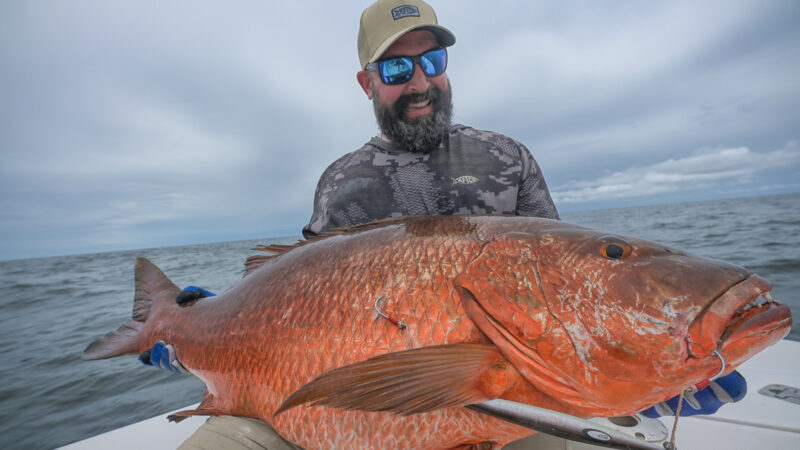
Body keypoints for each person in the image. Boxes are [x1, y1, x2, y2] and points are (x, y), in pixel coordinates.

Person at [144, 1, 746, 448]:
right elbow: (290, 292)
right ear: (367, 82)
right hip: (329, 409)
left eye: (433, 61)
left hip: (507, 409)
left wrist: (649, 372)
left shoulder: (506, 157)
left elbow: (563, 285)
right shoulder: (340, 179)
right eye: (397, 68)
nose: (420, 81)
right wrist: (194, 321)